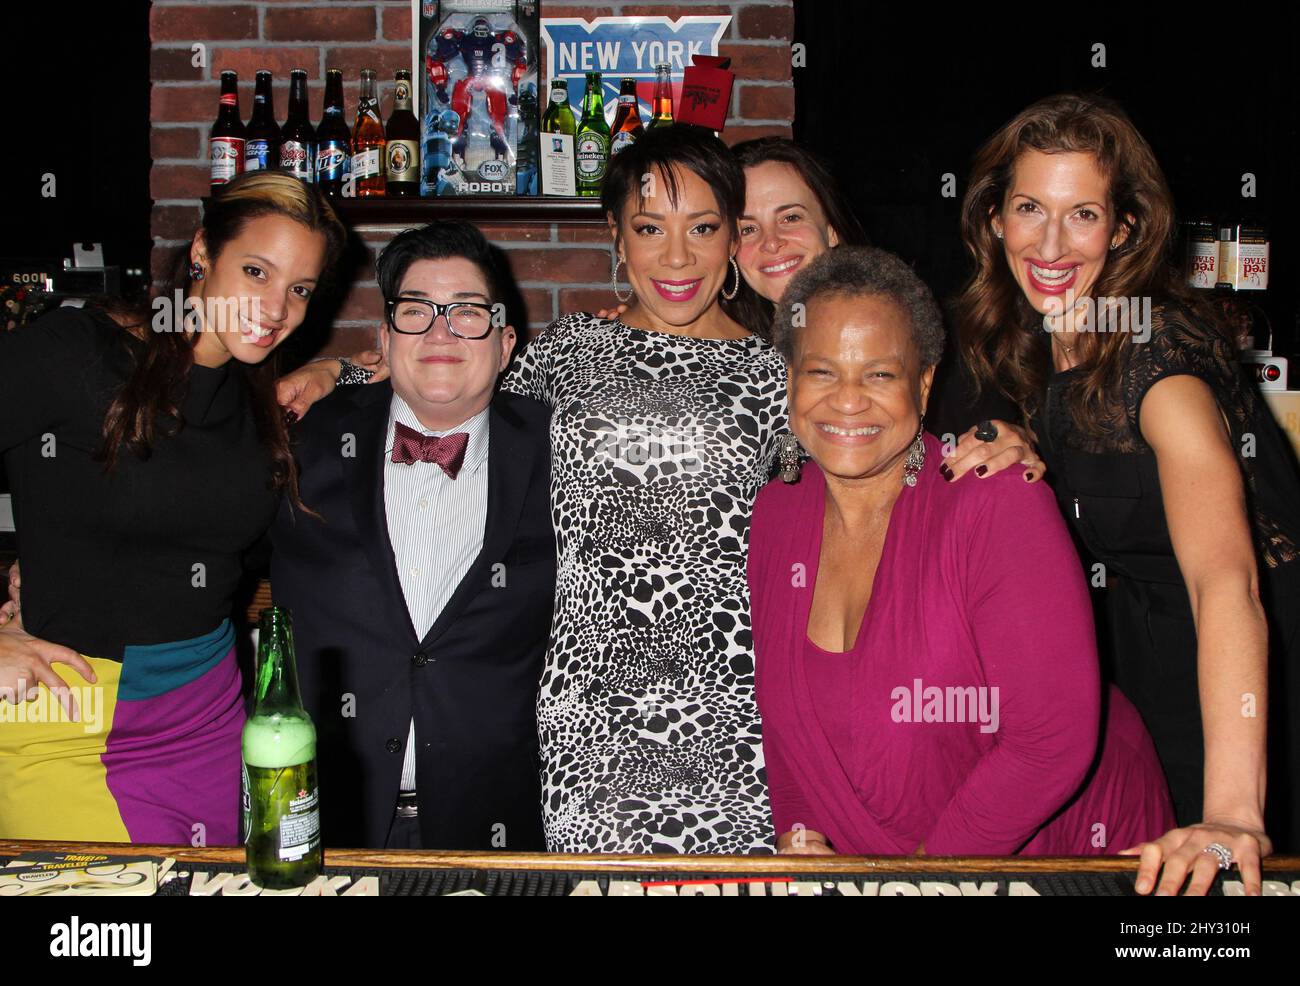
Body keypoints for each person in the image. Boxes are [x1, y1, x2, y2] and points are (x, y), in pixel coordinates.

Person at [955, 92, 1300, 893]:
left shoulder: (1160, 364)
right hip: (1154, 661)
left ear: (1126, 229)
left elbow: (1228, 580)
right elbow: (1115, 465)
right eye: (1030, 208)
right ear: (995, 219)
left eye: (1083, 215)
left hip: (1248, 673)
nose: (1049, 242)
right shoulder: (1060, 331)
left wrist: (1236, 811)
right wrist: (1031, 445)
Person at [751, 245, 1175, 860]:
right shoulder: (776, 514)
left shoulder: (995, 502)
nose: (848, 401)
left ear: (924, 383)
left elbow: (1049, 741)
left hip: (1049, 854)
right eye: (821, 371)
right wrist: (801, 838)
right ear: (789, 377)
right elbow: (788, 732)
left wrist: (925, 878)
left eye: (879, 373)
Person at [0, 171, 345, 844]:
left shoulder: (259, 405)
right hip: (69, 719)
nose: (276, 308)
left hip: (209, 721)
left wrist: (340, 367)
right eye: (255, 270)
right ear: (200, 251)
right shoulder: (78, 355)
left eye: (300, 289)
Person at [267, 221, 554, 850]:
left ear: (506, 344)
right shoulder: (299, 440)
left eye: (467, 312)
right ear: (386, 339)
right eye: (416, 311)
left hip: (498, 830)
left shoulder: (563, 453)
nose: (441, 331)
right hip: (325, 820)